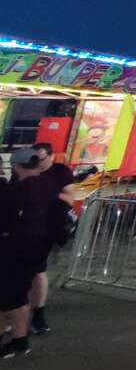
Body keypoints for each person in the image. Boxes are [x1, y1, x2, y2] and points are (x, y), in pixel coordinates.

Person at [1, 147, 72, 358]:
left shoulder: (15, 190)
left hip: (14, 249)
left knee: (11, 298)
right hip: (36, 248)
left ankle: (18, 340)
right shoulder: (48, 185)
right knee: (15, 296)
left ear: (16, 165)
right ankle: (19, 339)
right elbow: (64, 202)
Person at [26, 143, 76, 335]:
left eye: (41, 159)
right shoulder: (27, 170)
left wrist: (48, 192)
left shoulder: (61, 172)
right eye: (34, 159)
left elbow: (70, 198)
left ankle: (38, 315)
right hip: (24, 226)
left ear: (51, 156)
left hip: (48, 228)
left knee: (38, 271)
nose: (37, 163)